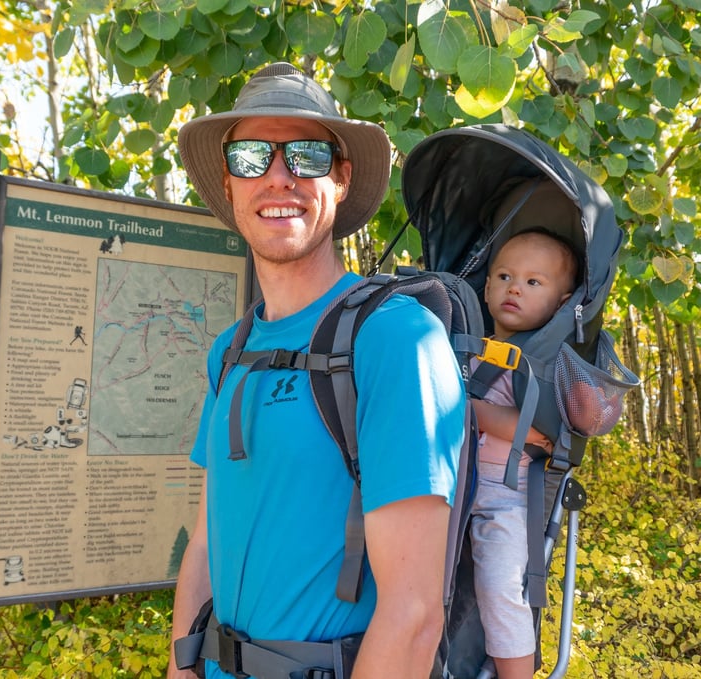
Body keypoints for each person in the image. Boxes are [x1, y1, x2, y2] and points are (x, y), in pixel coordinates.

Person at [167, 62, 467, 679]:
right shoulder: (231, 349)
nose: (278, 177)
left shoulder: (395, 339)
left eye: (306, 155)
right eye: (251, 156)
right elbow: (205, 544)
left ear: (341, 176)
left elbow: (413, 616)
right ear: (228, 183)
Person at [470, 229, 579, 679]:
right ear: (488, 286)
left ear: (562, 300)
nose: (515, 287)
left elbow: (535, 433)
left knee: (499, 584)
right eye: (505, 275)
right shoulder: (464, 348)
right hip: (447, 487)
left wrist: (465, 407)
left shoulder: (548, 364)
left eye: (534, 282)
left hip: (507, 498)